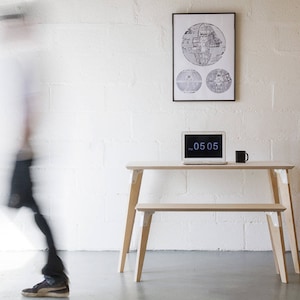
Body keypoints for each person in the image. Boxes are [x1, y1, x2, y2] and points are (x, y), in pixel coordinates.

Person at [0, 2, 69, 297]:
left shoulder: (28, 56)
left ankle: (55, 276)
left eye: (13, 24)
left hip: (22, 150)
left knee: (23, 206)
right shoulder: (18, 56)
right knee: (28, 207)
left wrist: (22, 146)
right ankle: (55, 276)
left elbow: (32, 107)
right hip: (18, 149)